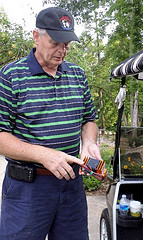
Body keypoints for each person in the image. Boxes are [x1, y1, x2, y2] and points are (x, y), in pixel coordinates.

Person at [0, 7, 101, 240]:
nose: (62, 50)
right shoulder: (10, 76)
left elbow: (89, 119)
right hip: (28, 188)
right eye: (56, 42)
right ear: (36, 36)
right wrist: (44, 155)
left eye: (67, 44)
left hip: (71, 185)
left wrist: (88, 143)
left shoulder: (78, 75)